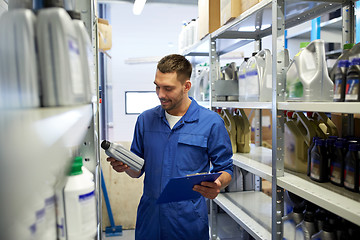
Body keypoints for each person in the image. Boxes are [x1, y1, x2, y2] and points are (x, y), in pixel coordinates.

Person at [107, 54, 233, 240]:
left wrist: (218, 184)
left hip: (188, 221)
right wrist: (124, 167)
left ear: (186, 86)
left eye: (168, 88)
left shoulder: (211, 123)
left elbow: (226, 169)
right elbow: (137, 170)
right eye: (157, 86)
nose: (160, 94)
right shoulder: (145, 120)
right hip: (150, 219)